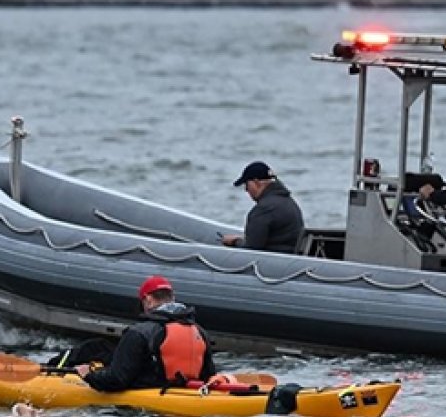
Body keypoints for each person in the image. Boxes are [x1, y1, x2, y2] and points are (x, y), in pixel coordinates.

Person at [75, 275, 218, 392]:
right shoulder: (199, 331)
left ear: (148, 299)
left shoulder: (139, 332)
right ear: (172, 298)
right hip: (188, 395)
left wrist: (89, 375)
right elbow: (209, 376)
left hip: (150, 399)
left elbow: (116, 380)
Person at [220, 161, 305, 254]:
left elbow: (251, 249)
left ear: (256, 182)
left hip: (273, 260)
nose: (246, 190)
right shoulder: (289, 202)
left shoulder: (263, 209)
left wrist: (235, 242)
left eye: (247, 185)